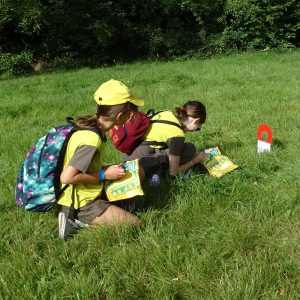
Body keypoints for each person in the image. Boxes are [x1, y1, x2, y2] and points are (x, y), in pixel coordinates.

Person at [58, 79, 144, 238]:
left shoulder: (92, 127)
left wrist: (107, 168)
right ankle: (75, 221)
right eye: (131, 111)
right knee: (135, 224)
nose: (132, 115)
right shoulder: (92, 139)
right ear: (120, 115)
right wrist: (104, 174)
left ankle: (113, 208)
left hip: (90, 191)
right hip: (82, 204)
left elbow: (83, 164)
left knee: (139, 171)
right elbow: (67, 177)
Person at [122, 100, 207, 183]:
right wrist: (194, 161)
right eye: (198, 128)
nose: (195, 130)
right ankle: (156, 174)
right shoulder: (176, 134)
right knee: (189, 148)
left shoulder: (167, 113)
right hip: (141, 162)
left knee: (183, 149)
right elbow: (173, 172)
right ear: (196, 121)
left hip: (128, 155)